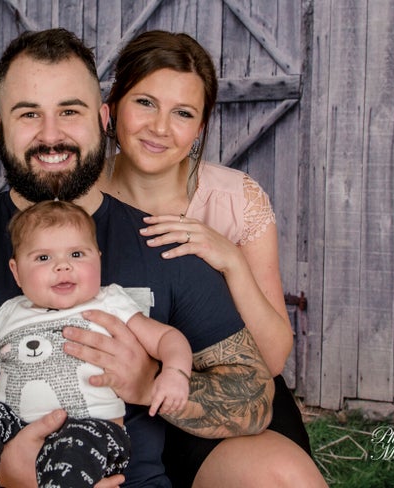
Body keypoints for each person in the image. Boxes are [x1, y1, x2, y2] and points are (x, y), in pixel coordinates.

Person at [0, 30, 328, 487]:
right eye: (29, 114)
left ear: (102, 118)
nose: (51, 136)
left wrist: (149, 383)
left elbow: (252, 391)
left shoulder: (164, 244)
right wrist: (4, 472)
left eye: (70, 110)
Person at [98, 31, 326, 486]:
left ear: (199, 128)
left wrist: (232, 262)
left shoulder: (236, 199)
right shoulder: (76, 196)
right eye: (145, 103)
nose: (160, 127)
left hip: (221, 391)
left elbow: (274, 358)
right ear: (114, 107)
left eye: (183, 113)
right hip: (110, 394)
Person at [0, 200, 193, 488]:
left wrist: (175, 372)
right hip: (14, 427)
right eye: (43, 258)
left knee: (74, 450)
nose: (63, 266)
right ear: (16, 271)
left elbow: (167, 337)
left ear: (98, 259)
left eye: (77, 254)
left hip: (93, 427)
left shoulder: (111, 302)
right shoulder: (5, 315)